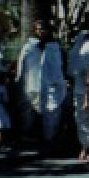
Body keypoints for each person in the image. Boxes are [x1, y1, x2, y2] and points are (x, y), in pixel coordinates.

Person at [15, 20, 66, 152]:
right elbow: (22, 67)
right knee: (28, 111)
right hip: (31, 85)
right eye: (38, 29)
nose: (41, 32)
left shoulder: (55, 47)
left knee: (52, 111)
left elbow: (59, 66)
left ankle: (49, 139)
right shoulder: (29, 47)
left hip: (51, 85)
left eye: (43, 29)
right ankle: (27, 136)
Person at [67, 28, 89, 161]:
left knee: (82, 119)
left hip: (82, 90)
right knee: (86, 119)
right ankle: (86, 147)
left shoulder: (77, 49)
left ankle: (86, 147)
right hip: (86, 90)